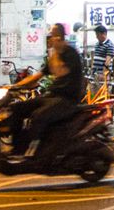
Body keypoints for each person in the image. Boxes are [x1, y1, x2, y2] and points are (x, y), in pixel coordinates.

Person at [7, 24, 85, 159]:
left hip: (67, 100)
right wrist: (14, 87)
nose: (49, 39)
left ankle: (36, 151)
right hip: (52, 96)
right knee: (17, 108)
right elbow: (38, 76)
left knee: (38, 116)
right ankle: (17, 148)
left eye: (52, 36)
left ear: (59, 37)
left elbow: (62, 71)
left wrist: (55, 54)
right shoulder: (55, 56)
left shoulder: (70, 54)